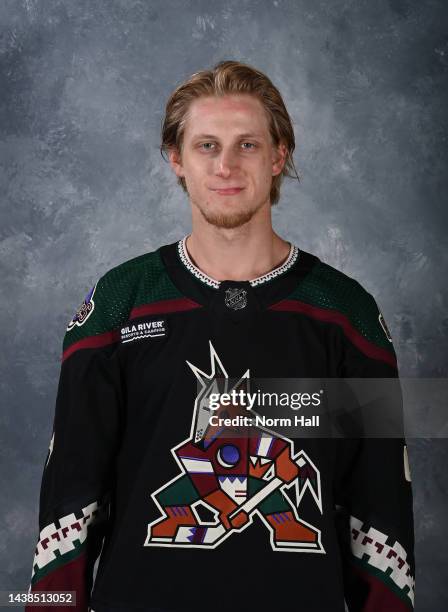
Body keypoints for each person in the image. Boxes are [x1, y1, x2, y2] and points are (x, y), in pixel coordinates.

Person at [26, 60, 415, 611]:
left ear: (279, 156)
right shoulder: (119, 302)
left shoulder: (346, 314)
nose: (226, 165)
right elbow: (71, 500)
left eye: (248, 145)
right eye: (207, 145)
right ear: (176, 160)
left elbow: (380, 517)